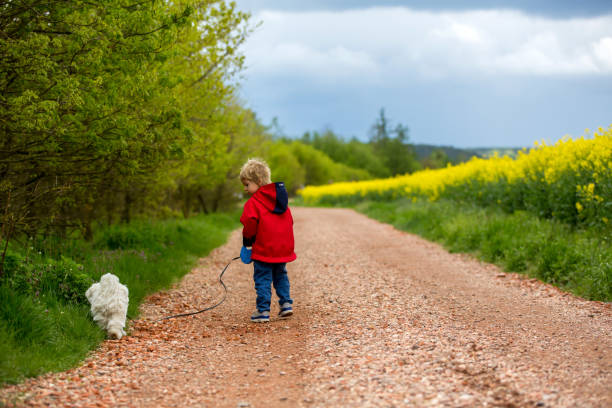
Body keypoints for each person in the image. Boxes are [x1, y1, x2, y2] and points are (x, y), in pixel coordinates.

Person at [239, 158, 296, 323]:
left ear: (257, 182)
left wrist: (247, 244)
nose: (245, 189)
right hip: (281, 248)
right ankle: (286, 304)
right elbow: (289, 222)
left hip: (263, 249)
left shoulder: (254, 203)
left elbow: (249, 225)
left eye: (247, 184)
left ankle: (263, 311)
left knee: (263, 277)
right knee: (280, 275)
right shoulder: (281, 201)